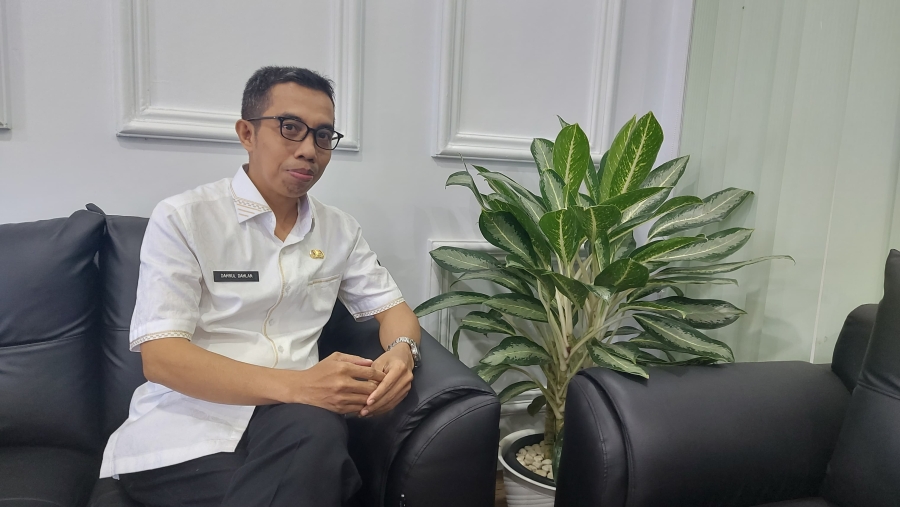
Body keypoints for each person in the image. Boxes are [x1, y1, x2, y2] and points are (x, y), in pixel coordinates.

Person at [99, 66, 422, 507]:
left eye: (322, 135)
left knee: (316, 433)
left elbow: (394, 310)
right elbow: (162, 357)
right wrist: (300, 386)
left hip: (295, 426)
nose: (308, 149)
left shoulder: (339, 230)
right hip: (188, 427)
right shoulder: (184, 218)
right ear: (246, 133)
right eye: (290, 128)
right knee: (316, 460)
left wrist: (403, 353)